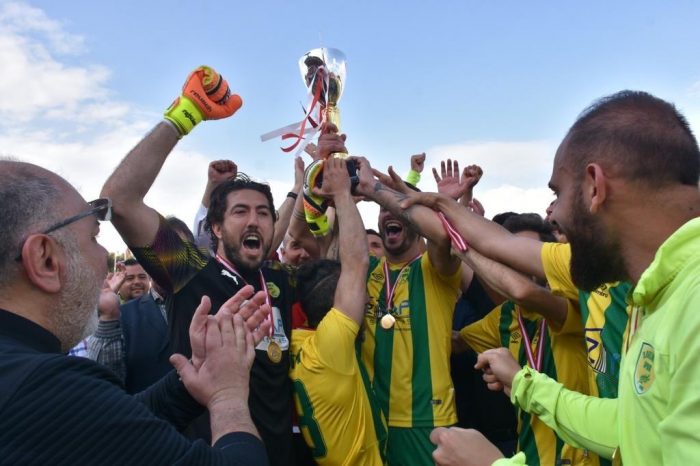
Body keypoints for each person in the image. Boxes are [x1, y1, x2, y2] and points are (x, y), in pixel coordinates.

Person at [430, 90, 700, 465]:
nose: (554, 216)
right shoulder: (658, 294)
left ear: (594, 187)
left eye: (558, 192)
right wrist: (525, 385)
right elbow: (631, 424)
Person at [0, 160, 271, 464]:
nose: (106, 256)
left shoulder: (23, 373)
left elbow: (112, 421)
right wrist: (227, 397)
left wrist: (192, 377)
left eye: (263, 213)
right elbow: (122, 199)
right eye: (94, 238)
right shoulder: (46, 387)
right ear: (44, 258)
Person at [100, 66, 296, 464]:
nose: (254, 220)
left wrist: (315, 180)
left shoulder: (279, 280)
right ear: (216, 229)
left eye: (263, 213)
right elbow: (120, 200)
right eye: (240, 211)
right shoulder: (191, 273)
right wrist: (183, 116)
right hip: (209, 454)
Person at [338, 146, 463, 465]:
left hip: (425, 419)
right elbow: (333, 240)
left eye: (398, 207)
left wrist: (432, 203)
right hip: (368, 415)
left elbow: (443, 238)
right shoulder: (364, 271)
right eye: (382, 209)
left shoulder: (434, 269)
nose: (389, 213)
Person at [452, 214, 595, 466]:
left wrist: (464, 251)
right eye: (511, 258)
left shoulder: (570, 303)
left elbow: (524, 292)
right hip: (529, 456)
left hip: (582, 457)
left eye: (525, 258)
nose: (518, 265)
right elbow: (456, 342)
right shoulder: (503, 317)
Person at [290, 157, 387, 465]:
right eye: (361, 296)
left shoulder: (296, 343)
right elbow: (355, 263)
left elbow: (332, 266)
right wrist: (343, 193)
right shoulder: (330, 348)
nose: (367, 301)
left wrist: (318, 197)